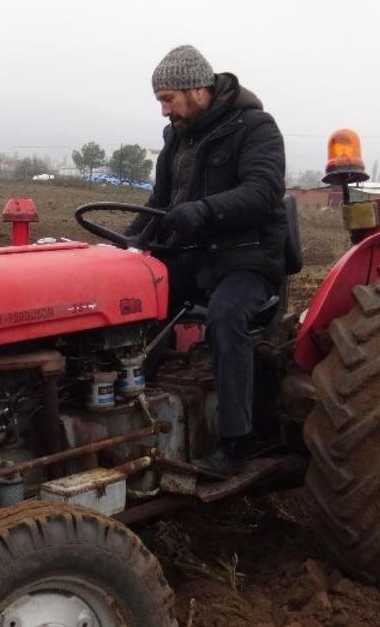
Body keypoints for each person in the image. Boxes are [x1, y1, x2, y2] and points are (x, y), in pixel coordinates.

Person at [126, 45, 287, 476]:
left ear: (197, 90)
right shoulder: (179, 138)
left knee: (226, 316)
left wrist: (204, 210)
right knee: (133, 300)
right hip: (195, 258)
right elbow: (159, 204)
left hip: (247, 260)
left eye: (168, 99)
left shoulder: (255, 128)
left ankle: (235, 443)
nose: (164, 110)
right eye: (160, 100)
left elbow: (263, 191)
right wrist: (126, 247)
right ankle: (128, 407)